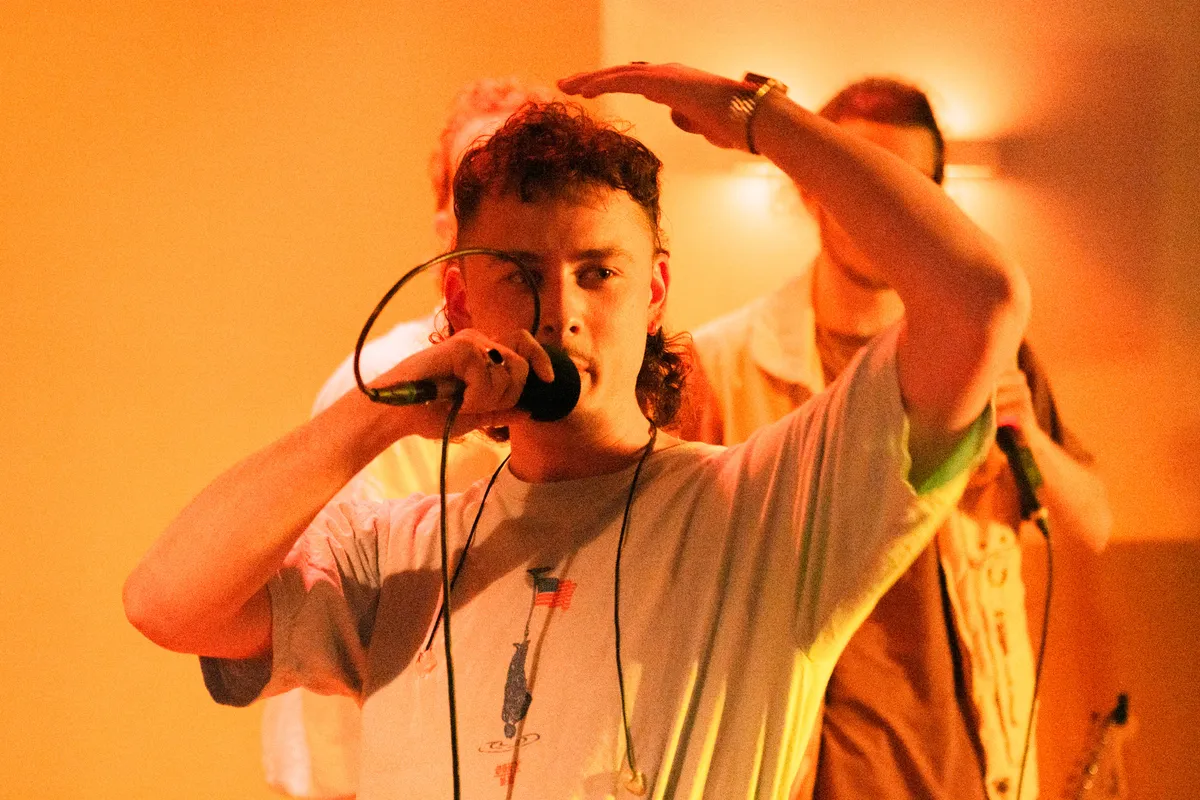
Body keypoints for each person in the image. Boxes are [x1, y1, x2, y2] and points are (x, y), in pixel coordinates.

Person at [124, 62, 1030, 798]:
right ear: (459, 299)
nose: (560, 313)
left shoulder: (768, 513)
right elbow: (166, 603)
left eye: (598, 273)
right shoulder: (397, 549)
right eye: (518, 275)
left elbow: (978, 300)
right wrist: (377, 412)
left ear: (655, 293)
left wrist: (762, 120)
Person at [680, 77, 1113, 800]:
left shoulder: (991, 353)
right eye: (862, 182)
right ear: (812, 189)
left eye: (905, 190)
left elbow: (1091, 525)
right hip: (801, 773)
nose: (881, 213)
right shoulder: (722, 365)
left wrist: (1027, 436)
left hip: (970, 765)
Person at [262, 77, 557, 799]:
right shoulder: (378, 386)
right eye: (477, 191)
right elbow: (336, 608)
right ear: (445, 230)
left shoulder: (589, 379)